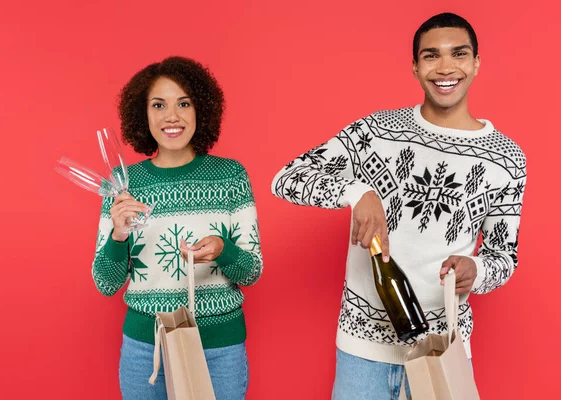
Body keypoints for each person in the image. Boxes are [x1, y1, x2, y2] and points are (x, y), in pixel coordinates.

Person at [271, 12, 526, 399]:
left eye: (458, 54)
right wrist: (357, 193)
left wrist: (477, 268)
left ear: (476, 63)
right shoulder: (376, 132)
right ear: (414, 66)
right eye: (430, 56)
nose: (445, 67)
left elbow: (504, 257)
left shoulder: (507, 159)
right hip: (362, 352)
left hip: (444, 349)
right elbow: (286, 179)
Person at [91, 56, 262, 400]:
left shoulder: (230, 176)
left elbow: (251, 271)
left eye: (184, 103)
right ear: (144, 115)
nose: (172, 116)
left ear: (201, 110)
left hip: (219, 350)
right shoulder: (125, 186)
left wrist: (223, 249)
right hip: (145, 350)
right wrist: (118, 235)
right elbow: (105, 282)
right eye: (159, 105)